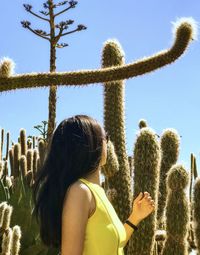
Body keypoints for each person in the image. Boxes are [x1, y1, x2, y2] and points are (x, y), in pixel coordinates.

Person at [32, 114, 155, 255]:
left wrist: (135, 217)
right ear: (91, 143)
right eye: (105, 138)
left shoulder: (97, 192)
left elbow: (113, 243)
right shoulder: (80, 191)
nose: (107, 143)